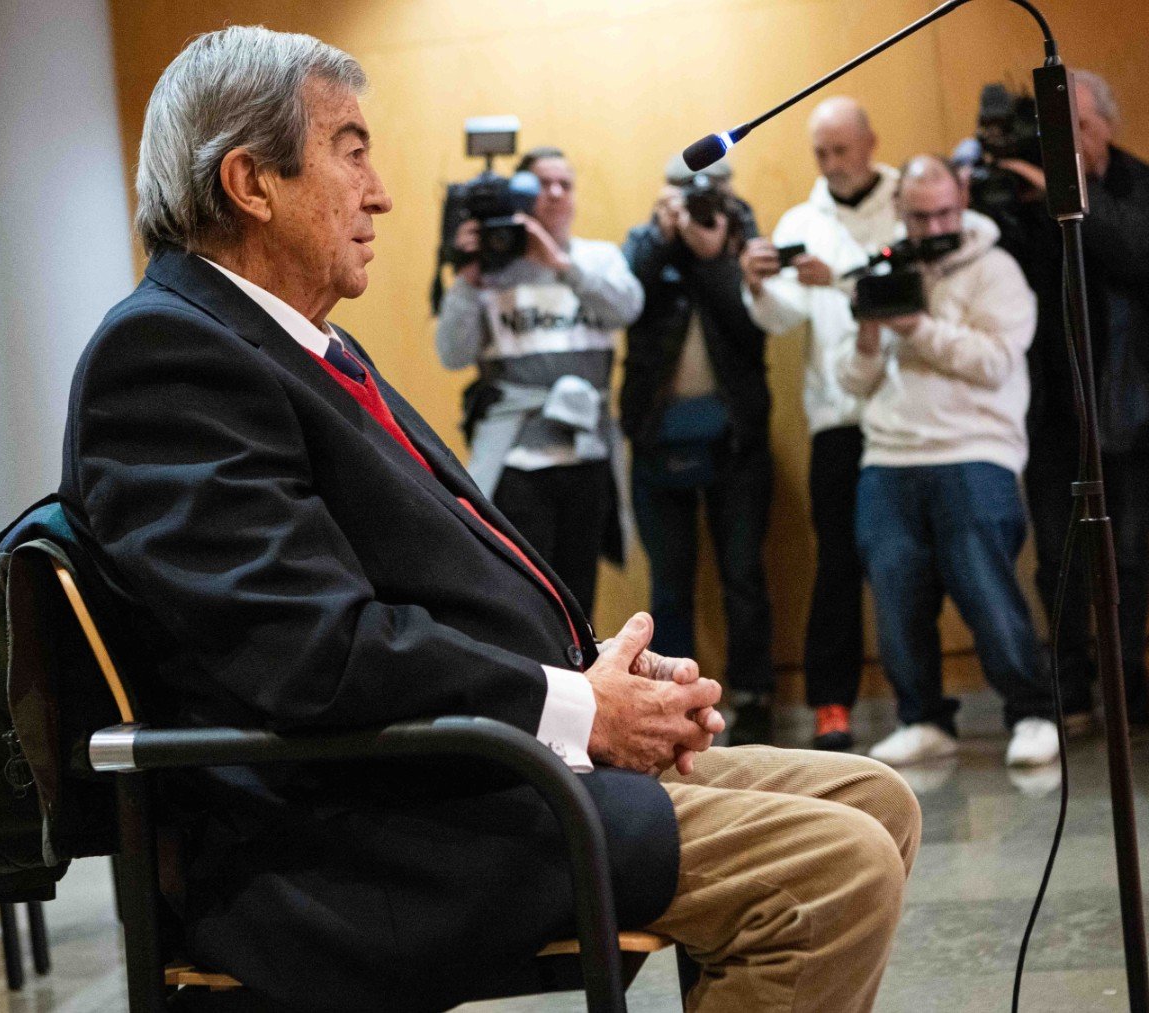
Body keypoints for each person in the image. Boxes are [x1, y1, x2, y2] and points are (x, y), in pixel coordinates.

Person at [65, 27, 918, 1011]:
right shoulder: (168, 357)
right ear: (253, 183)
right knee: (836, 871)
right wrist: (577, 705)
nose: (379, 190)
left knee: (877, 799)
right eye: (350, 149)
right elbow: (315, 651)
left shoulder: (283, 339)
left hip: (454, 763)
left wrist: (597, 671)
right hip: (355, 831)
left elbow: (418, 581)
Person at [982, 70, 1149, 725]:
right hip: (1053, 401)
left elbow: (1135, 251)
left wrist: (1064, 188)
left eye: (1078, 127)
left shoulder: (1146, 184)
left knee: (1128, 553)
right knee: (1058, 556)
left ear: (1106, 125)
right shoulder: (1025, 196)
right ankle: (1071, 690)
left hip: (1126, 399)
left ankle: (1126, 688)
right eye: (1058, 131)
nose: (1069, 141)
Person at [837, 156, 1057, 769]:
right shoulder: (879, 269)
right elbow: (852, 382)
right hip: (887, 456)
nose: (934, 227)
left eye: (945, 213)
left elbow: (993, 363)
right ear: (899, 213)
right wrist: (870, 334)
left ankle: (1034, 713)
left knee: (987, 590)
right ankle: (923, 718)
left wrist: (917, 326)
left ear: (962, 202)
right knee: (896, 596)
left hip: (974, 452)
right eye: (919, 216)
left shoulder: (997, 270)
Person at [739, 96, 900, 752]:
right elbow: (780, 317)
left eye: (842, 149)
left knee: (913, 561)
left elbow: (910, 288)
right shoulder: (802, 219)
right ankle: (831, 701)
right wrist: (755, 285)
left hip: (914, 409)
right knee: (838, 561)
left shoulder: (910, 201)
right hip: (838, 415)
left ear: (869, 142)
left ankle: (922, 703)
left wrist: (838, 280)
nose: (833, 163)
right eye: (821, 153)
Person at [434, 145, 643, 618]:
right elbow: (452, 354)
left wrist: (562, 265)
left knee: (578, 599)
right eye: (540, 185)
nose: (554, 194)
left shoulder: (599, 259)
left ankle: (587, 691)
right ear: (520, 197)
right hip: (518, 459)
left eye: (564, 184)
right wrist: (467, 278)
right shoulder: (491, 268)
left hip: (586, 453)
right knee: (526, 598)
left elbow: (627, 309)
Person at [622, 156, 775, 745]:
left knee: (743, 574)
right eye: (685, 191)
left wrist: (714, 258)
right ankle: (674, 707)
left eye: (712, 190)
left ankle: (754, 698)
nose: (698, 201)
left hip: (736, 439)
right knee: (670, 583)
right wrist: (662, 240)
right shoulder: (645, 243)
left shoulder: (746, 245)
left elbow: (750, 324)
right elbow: (621, 300)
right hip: (660, 438)